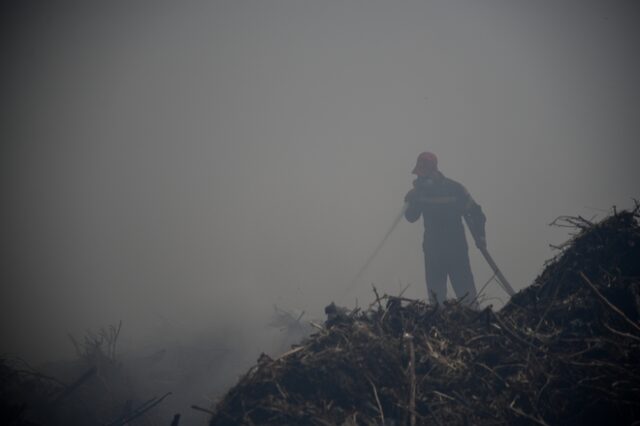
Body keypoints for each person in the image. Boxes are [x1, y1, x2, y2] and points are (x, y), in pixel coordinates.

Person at [404, 152, 486, 304]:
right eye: (419, 175)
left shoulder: (455, 189)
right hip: (433, 254)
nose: (420, 178)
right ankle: (438, 325)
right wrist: (411, 199)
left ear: (434, 172)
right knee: (436, 299)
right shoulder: (420, 194)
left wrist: (481, 237)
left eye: (423, 174)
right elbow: (411, 217)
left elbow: (476, 213)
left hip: (457, 252)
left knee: (467, 296)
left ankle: (475, 320)